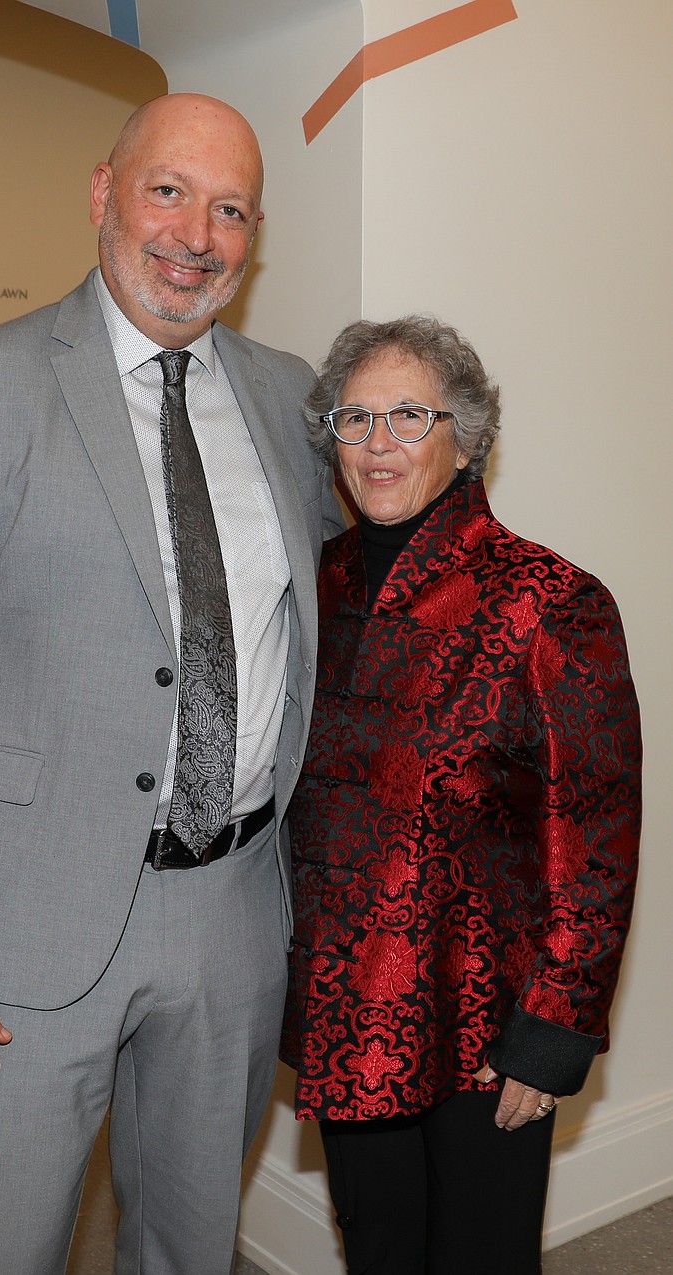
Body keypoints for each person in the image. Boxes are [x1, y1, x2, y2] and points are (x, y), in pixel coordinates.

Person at [0, 93, 344, 1275]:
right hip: (31, 910)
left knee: (188, 1239)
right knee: (1, 1241)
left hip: (234, 906)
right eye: (167, 191)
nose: (195, 234)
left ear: (255, 234)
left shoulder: (287, 396)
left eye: (229, 209)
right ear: (102, 195)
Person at [280, 316, 641, 1275]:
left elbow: (596, 836)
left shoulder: (549, 600)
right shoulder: (315, 584)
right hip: (347, 1011)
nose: (379, 442)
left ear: (467, 436)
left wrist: (553, 1028)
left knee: (481, 1257)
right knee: (378, 1248)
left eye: (409, 413)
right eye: (354, 419)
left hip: (485, 1023)